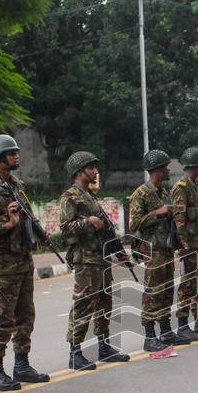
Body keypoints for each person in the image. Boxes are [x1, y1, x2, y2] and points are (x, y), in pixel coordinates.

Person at [0, 134, 49, 391]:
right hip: (4, 264)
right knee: (3, 317)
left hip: (23, 260)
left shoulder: (16, 185)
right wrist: (7, 224)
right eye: (11, 153)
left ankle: (22, 364)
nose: (16, 156)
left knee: (26, 314)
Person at [59, 150, 129, 370]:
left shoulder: (91, 197)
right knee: (83, 304)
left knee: (104, 303)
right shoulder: (69, 197)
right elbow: (65, 229)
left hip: (101, 257)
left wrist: (119, 252)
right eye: (91, 168)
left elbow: (106, 229)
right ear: (80, 172)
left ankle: (103, 346)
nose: (95, 171)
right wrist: (89, 222)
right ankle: (75, 352)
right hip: (85, 260)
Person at [130, 149, 185, 352]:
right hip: (153, 251)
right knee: (152, 293)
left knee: (167, 291)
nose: (168, 169)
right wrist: (157, 213)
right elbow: (134, 224)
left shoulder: (164, 193)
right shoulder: (141, 194)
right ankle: (150, 336)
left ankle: (166, 330)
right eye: (165, 167)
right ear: (157, 170)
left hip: (167, 249)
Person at [171, 147, 198, 341]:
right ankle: (182, 325)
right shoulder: (181, 187)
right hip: (189, 245)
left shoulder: (194, 186)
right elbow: (179, 218)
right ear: (195, 166)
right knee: (188, 284)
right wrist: (183, 243)